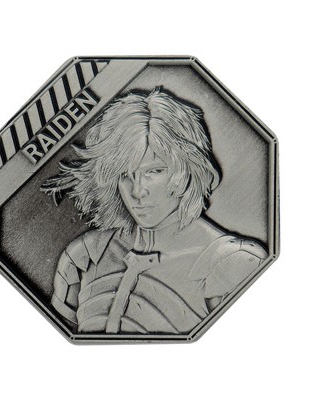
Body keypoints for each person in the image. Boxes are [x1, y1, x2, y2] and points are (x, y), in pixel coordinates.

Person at [41, 87, 267, 335]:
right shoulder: (84, 256)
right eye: (125, 175)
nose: (138, 191)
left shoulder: (231, 263)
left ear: (188, 170)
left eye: (154, 171)